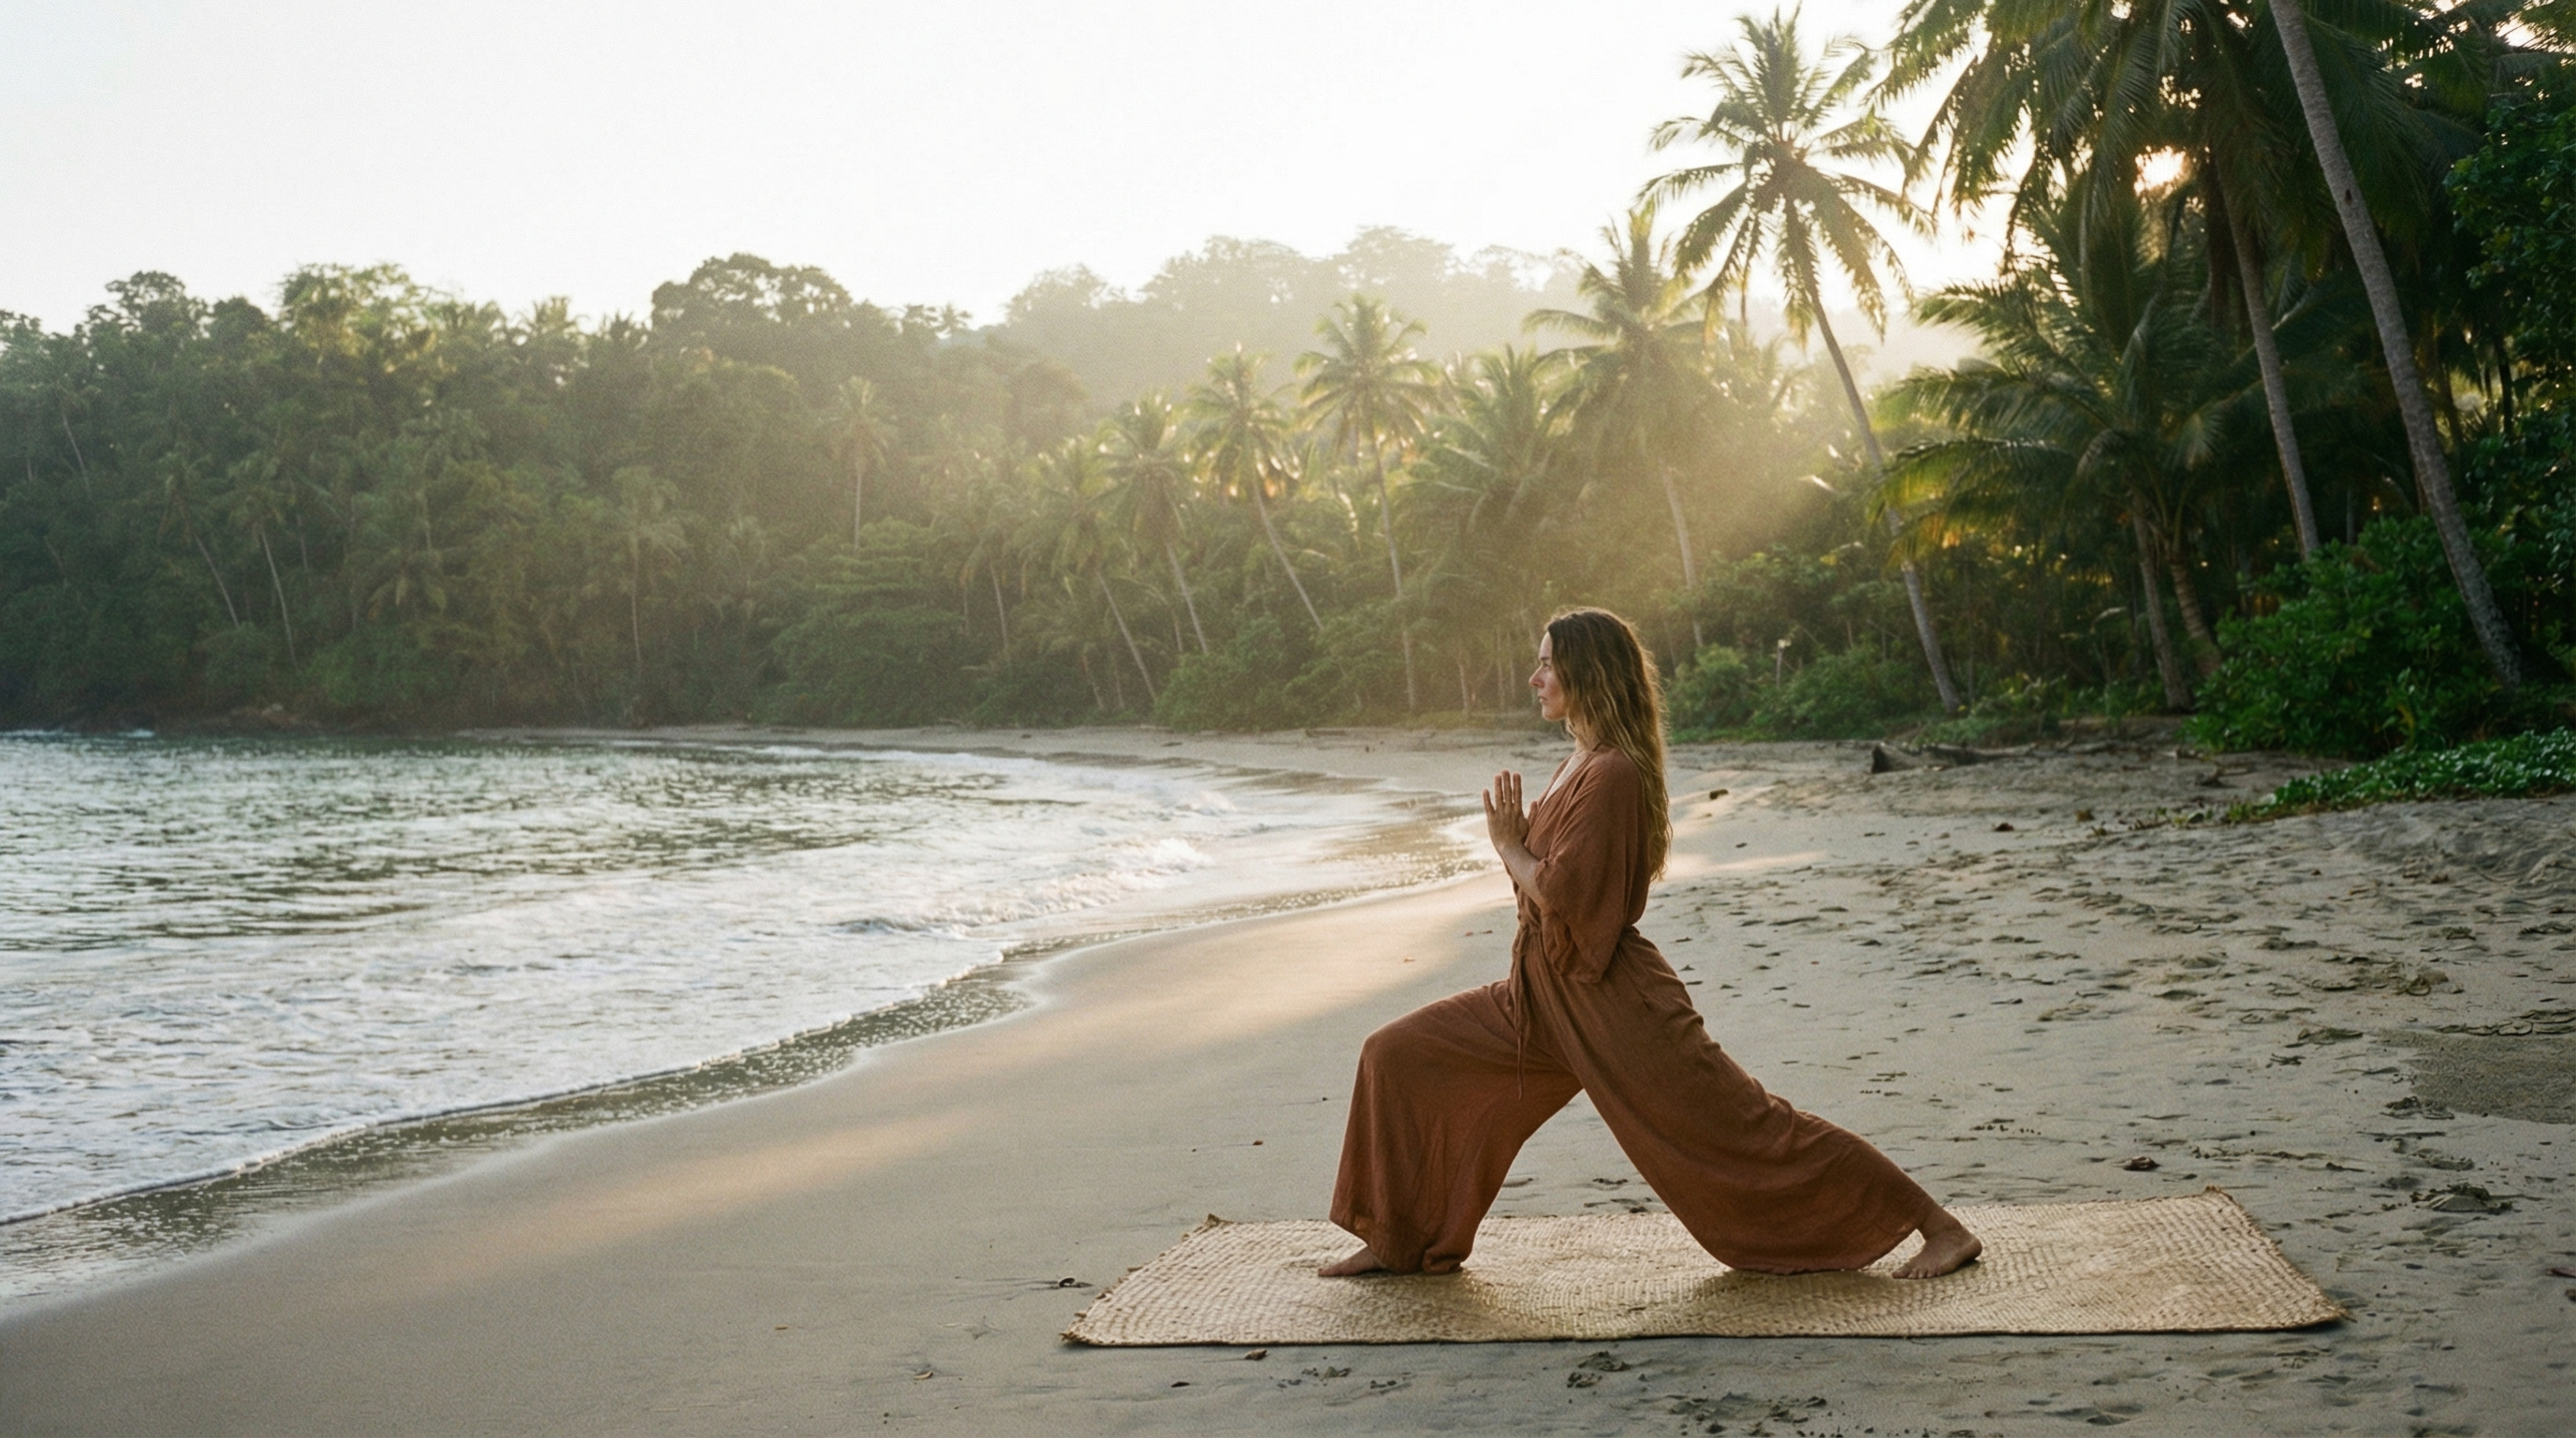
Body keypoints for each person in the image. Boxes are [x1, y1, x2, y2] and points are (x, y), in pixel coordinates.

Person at [1321, 607, 1982, 1282]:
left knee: (1752, 1126)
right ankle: (1396, 1239)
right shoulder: (1575, 763)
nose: (1534, 677)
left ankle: (1941, 1227)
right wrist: (1519, 850)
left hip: (1613, 1001)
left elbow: (1564, 894)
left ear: (1587, 671)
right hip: (1541, 1000)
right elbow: (1544, 890)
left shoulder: (1611, 775)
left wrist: (1510, 847)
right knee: (1395, 1055)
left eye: (1547, 663)